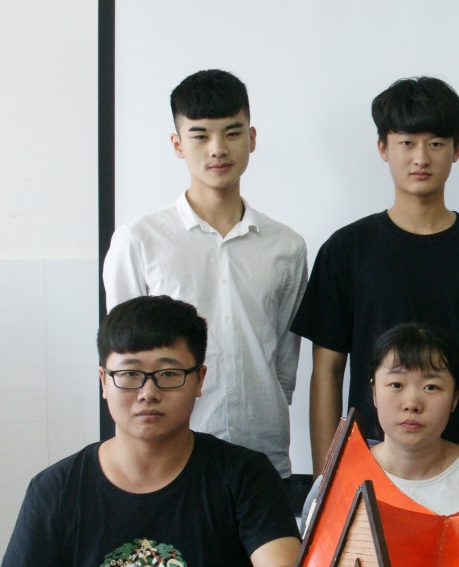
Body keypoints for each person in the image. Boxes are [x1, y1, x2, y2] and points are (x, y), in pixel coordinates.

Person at [0, 296, 300, 567]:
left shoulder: (243, 475)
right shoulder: (58, 489)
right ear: (104, 381)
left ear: (199, 379)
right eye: (129, 374)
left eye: (169, 373)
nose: (148, 392)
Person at [102, 69, 308, 505]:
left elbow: (283, 363)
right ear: (177, 144)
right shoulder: (140, 240)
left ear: (251, 138)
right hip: (168, 460)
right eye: (199, 136)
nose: (217, 149)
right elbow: (123, 358)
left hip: (263, 454)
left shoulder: (286, 245)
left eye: (232, 133)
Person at [291, 76, 459, 475]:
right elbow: (326, 370)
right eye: (407, 143)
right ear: (383, 147)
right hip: (373, 456)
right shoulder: (347, 248)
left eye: (436, 143)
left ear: (457, 150)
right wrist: (328, 475)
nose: (420, 158)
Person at [367, 324, 459, 514]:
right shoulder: (342, 473)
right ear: (374, 392)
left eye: (430, 387)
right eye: (396, 384)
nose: (412, 403)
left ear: (455, 396)